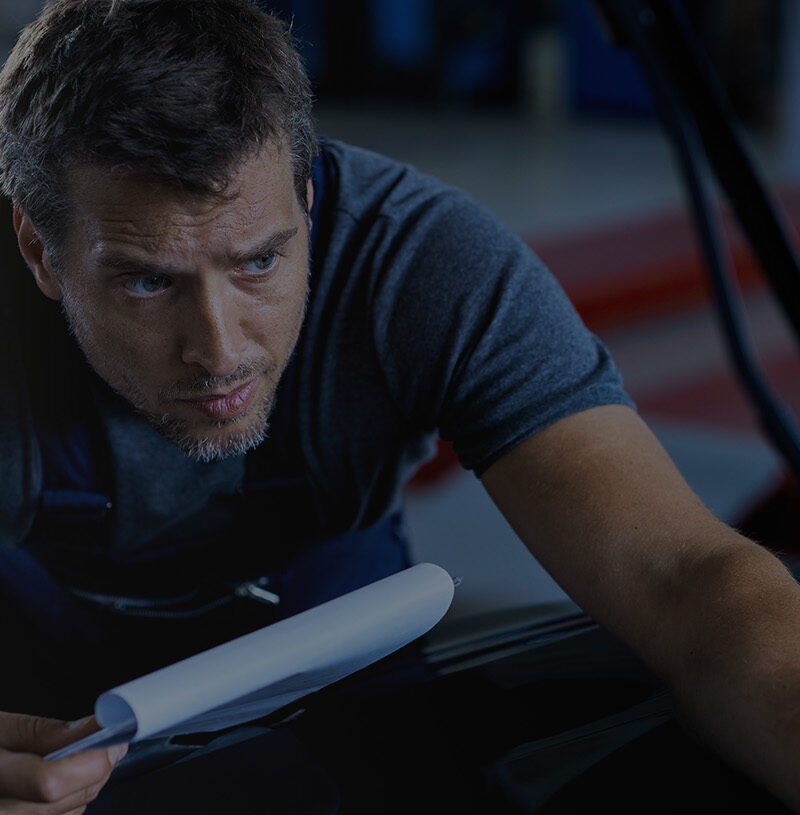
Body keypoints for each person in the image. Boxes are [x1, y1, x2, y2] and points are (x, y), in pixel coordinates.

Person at [0, 0, 799, 812]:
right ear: (39, 250)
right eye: (147, 281)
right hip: (41, 666)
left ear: (306, 197)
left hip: (333, 616)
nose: (220, 348)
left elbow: (686, 580)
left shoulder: (422, 263)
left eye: (259, 261)